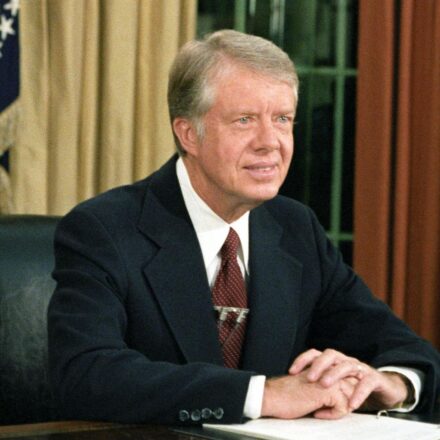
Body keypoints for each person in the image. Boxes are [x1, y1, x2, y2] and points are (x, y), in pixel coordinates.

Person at [48, 30, 440, 425]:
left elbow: (402, 348)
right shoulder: (104, 229)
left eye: (282, 119)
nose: (270, 143)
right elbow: (87, 375)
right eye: (245, 120)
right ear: (189, 134)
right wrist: (263, 395)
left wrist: (390, 382)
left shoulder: (295, 228)